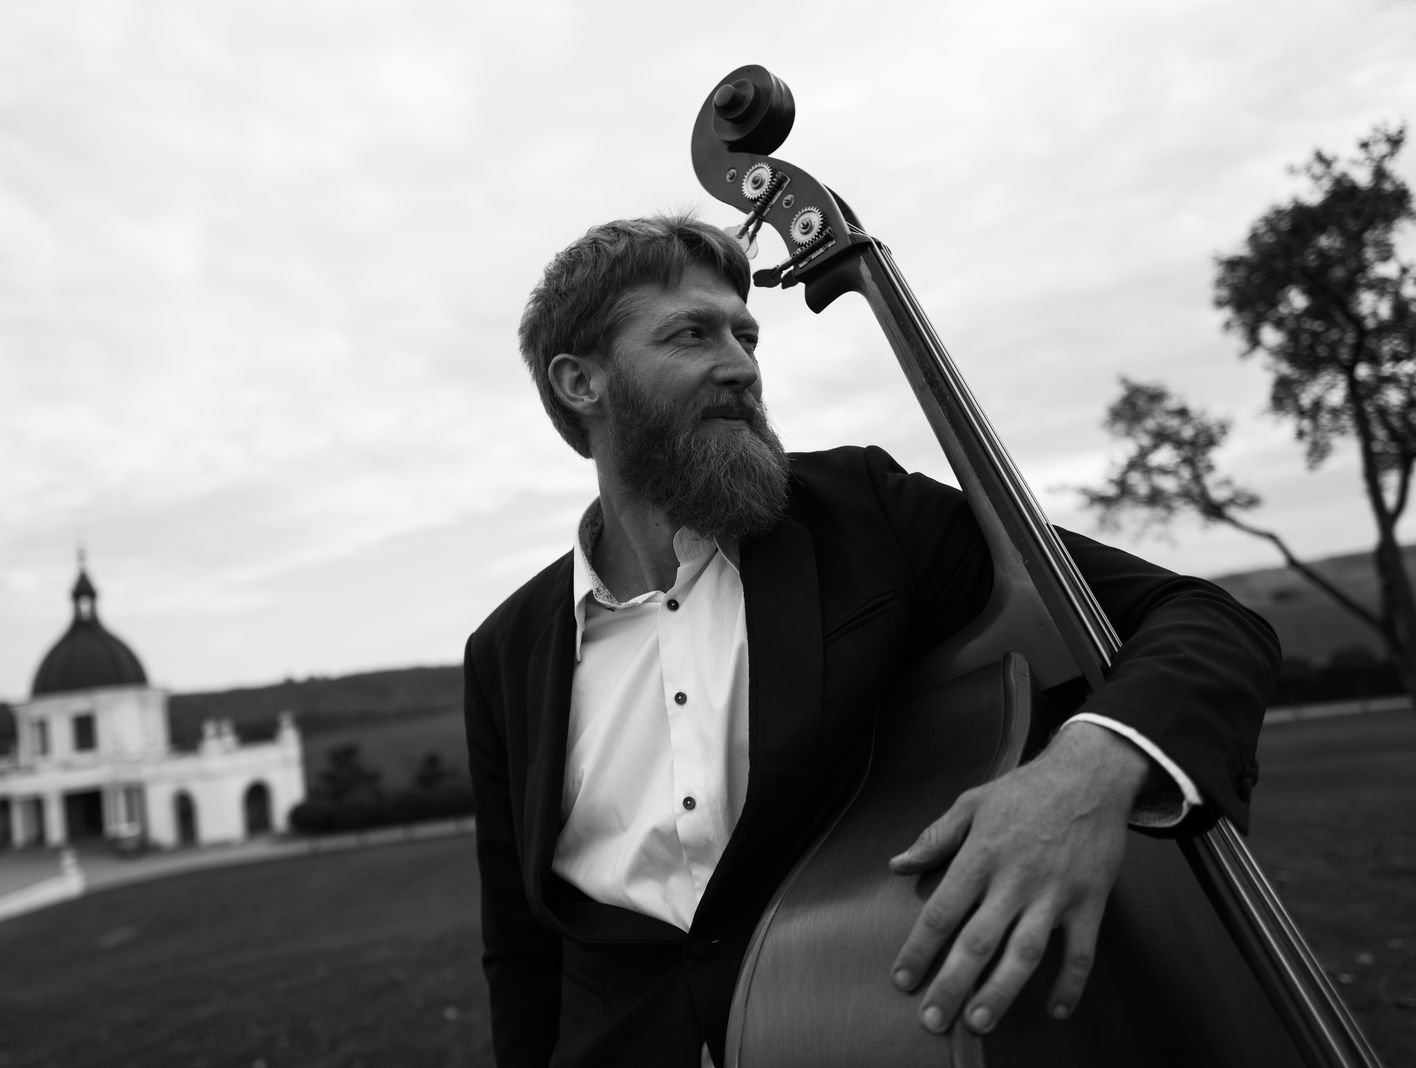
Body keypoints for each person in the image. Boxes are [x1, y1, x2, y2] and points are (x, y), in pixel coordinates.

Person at [463, 215, 1278, 1067]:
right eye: (691, 335)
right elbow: (520, 946)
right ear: (580, 382)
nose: (741, 365)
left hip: (865, 1028)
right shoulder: (506, 652)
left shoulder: (866, 513)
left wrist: (1085, 774)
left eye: (746, 335)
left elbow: (1198, 617)